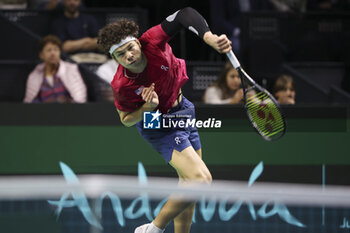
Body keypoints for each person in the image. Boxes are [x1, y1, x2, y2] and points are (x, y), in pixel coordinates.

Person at [97, 7, 231, 233]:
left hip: (184, 109)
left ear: (138, 43)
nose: (129, 56)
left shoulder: (152, 41)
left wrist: (208, 37)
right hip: (157, 122)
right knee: (201, 180)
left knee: (188, 185)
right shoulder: (122, 85)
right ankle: (152, 229)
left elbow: (184, 14)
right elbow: (126, 120)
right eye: (121, 54)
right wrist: (147, 108)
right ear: (114, 58)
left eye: (130, 48)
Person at [23, 35, 87, 103]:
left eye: (56, 49)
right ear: (41, 55)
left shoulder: (71, 70)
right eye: (49, 50)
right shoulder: (34, 75)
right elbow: (29, 102)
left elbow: (80, 98)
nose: (53, 53)